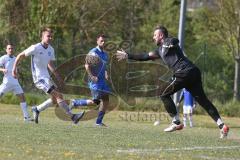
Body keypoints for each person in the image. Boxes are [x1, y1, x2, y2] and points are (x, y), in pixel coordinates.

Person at [116, 25, 229, 138]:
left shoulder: (168, 41)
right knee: (203, 101)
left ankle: (176, 122)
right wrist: (128, 55)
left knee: (163, 92)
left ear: (161, 35)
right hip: (192, 72)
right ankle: (222, 125)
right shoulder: (159, 51)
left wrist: (170, 42)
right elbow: (145, 56)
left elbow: (175, 40)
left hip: (184, 72)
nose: (153, 37)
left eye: (155, 35)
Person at [12, 27, 84, 124]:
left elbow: (50, 64)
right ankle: (73, 116)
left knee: (55, 98)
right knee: (58, 95)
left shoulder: (51, 49)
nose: (50, 38)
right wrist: (14, 69)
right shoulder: (35, 47)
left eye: (51, 36)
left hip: (46, 78)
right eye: (48, 36)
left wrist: (58, 76)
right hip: (39, 79)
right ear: (42, 37)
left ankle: (37, 109)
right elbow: (20, 55)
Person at [70, 34, 110, 126]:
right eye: (101, 41)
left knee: (105, 101)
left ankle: (98, 122)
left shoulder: (105, 54)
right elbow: (86, 65)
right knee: (97, 101)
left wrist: (106, 73)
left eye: (104, 41)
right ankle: (76, 102)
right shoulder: (93, 52)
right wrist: (92, 76)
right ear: (97, 41)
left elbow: (105, 66)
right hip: (95, 82)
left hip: (102, 81)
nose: (103, 42)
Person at [0, 43, 32, 122]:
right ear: (6, 50)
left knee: (22, 97)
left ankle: (26, 118)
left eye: (12, 48)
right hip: (6, 82)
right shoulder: (3, 58)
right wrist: (2, 69)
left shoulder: (15, 58)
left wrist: (17, 74)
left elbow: (16, 68)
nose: (11, 50)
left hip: (15, 82)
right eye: (9, 48)